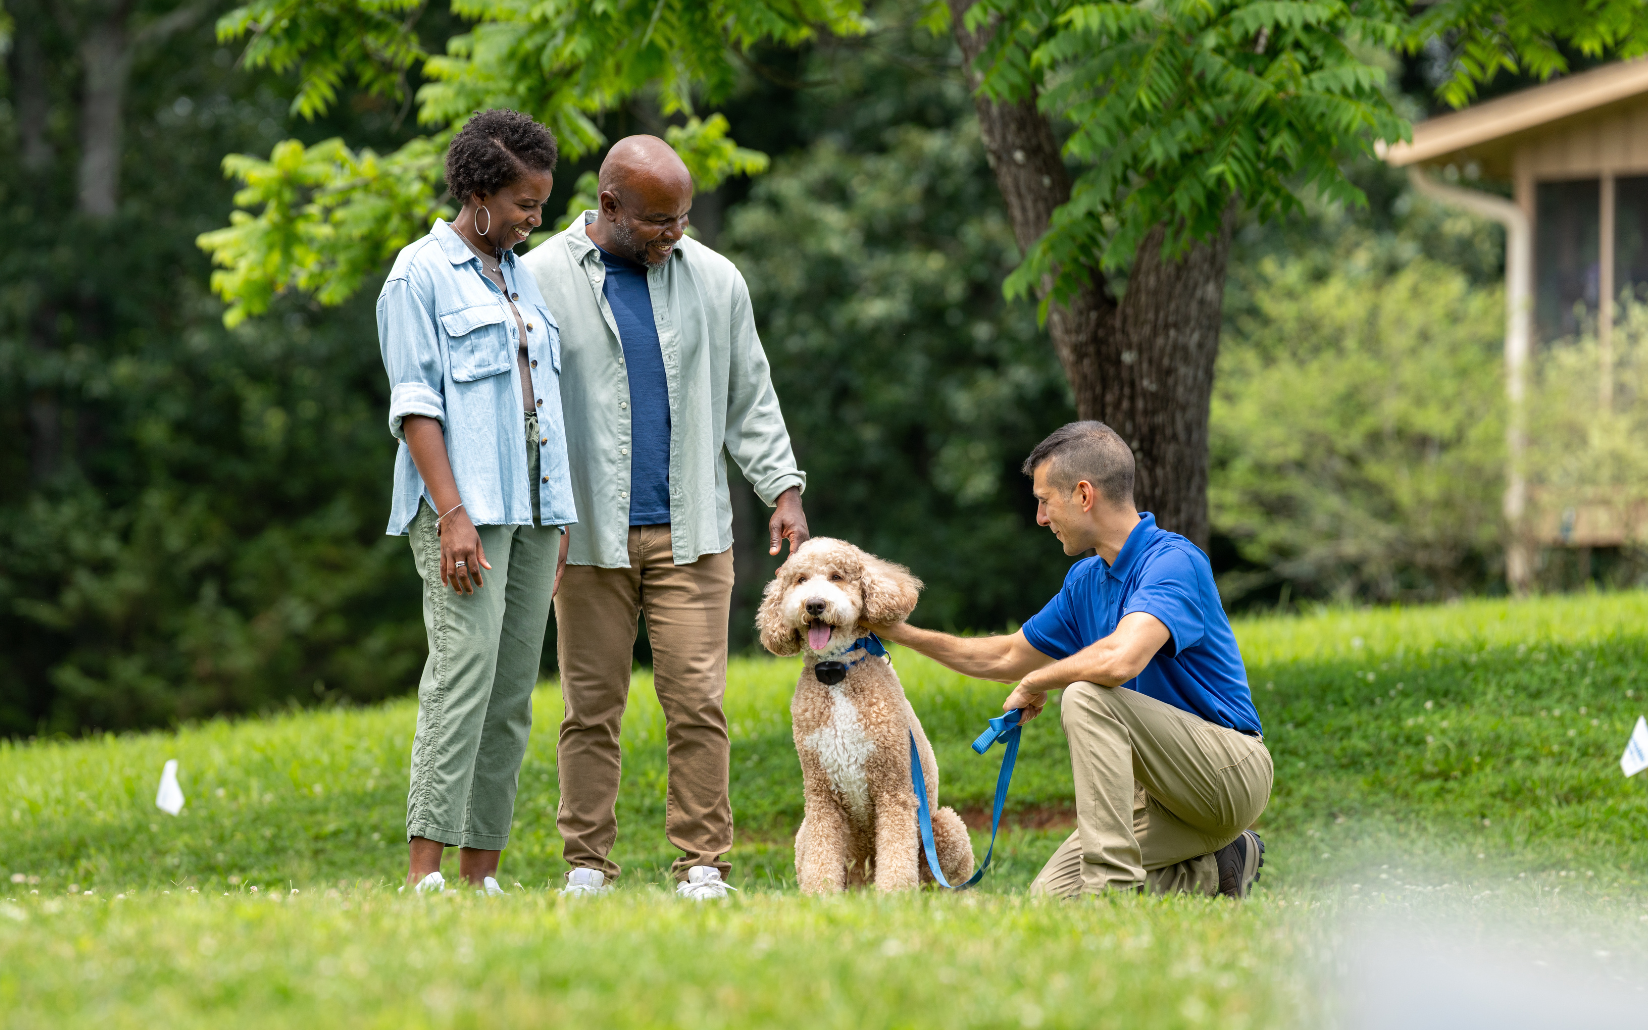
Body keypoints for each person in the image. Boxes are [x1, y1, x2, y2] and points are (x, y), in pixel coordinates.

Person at [522, 135, 808, 899]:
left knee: (698, 705)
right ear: (608, 205)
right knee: (589, 709)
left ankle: (703, 864)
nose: (674, 233)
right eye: (656, 220)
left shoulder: (716, 280)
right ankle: (586, 864)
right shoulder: (539, 277)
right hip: (584, 540)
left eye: (681, 217)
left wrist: (781, 489)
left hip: (693, 535)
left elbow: (751, 393)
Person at [877, 421, 1271, 898]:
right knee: (1051, 898)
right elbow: (1004, 655)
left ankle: (1112, 893)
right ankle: (1222, 867)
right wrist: (895, 631)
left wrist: (1043, 680)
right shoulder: (1086, 580)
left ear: (1084, 495)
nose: (1041, 517)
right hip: (1162, 799)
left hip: (1228, 774)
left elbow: (1122, 658)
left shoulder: (1172, 562)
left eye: (1045, 500)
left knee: (1086, 695)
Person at [379, 109, 575, 894]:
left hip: (532, 516)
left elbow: (544, 401)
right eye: (526, 204)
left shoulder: (518, 273)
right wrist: (453, 514)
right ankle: (424, 874)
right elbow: (416, 405)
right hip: (465, 515)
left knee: (510, 696)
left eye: (541, 204)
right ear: (479, 193)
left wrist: (558, 515)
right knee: (461, 678)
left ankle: (479, 874)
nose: (537, 219)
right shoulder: (418, 273)